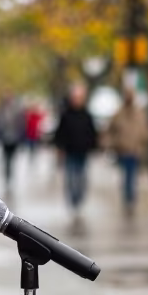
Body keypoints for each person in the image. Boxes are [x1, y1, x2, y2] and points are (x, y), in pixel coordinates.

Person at [54, 85, 99, 214]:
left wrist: (93, 146)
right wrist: (60, 147)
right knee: (71, 177)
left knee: (81, 177)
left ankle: (79, 197)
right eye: (75, 98)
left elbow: (92, 133)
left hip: (83, 152)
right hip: (70, 152)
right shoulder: (66, 115)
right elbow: (59, 134)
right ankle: (72, 198)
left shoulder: (87, 115)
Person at [107, 88, 148, 214]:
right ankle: (128, 198)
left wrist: (144, 140)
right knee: (126, 175)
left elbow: (146, 129)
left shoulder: (139, 113)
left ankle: (131, 197)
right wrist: (114, 142)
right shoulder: (119, 113)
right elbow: (111, 129)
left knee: (132, 176)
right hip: (123, 149)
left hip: (136, 150)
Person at [0, 95, 26, 188]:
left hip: (14, 139)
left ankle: (10, 175)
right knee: (6, 158)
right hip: (5, 138)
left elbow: (21, 125)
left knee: (11, 159)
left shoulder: (17, 112)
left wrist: (20, 137)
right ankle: (7, 176)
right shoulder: (2, 111)